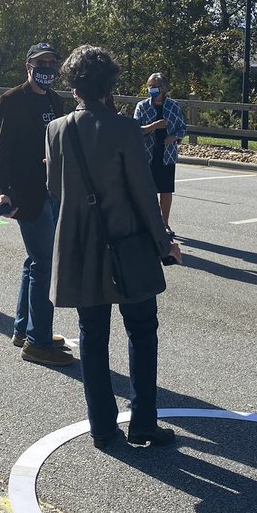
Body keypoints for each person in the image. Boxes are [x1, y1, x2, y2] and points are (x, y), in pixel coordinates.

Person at [47, 45, 181, 448]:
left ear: (74, 87)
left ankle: (103, 428)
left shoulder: (56, 130)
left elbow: (56, 189)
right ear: (111, 87)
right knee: (141, 331)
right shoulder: (124, 129)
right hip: (127, 243)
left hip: (80, 247)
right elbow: (144, 194)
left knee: (92, 335)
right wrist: (165, 242)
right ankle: (143, 421)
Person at [0, 42, 73, 366]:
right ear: (29, 66)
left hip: (54, 193)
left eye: (52, 62)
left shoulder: (56, 101)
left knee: (34, 260)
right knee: (45, 263)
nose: (48, 68)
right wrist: (1, 191)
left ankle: (24, 328)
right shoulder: (11, 101)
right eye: (41, 62)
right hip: (26, 193)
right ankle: (38, 343)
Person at [133, 73, 186, 236]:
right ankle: (149, 224)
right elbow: (136, 129)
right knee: (148, 192)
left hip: (166, 155)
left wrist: (175, 137)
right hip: (147, 154)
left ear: (163, 88)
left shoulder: (173, 106)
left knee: (165, 190)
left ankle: (165, 224)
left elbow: (182, 128)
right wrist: (154, 126)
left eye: (154, 86)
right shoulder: (142, 106)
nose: (151, 89)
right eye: (149, 86)